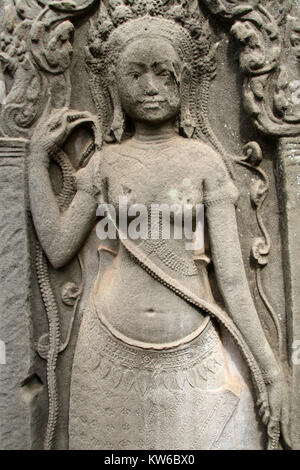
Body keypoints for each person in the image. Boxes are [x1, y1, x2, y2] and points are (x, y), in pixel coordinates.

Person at [29, 12, 285, 450]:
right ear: (113, 86)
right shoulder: (107, 163)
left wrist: (273, 373)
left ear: (183, 83)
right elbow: (57, 247)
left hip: (193, 350)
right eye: (136, 74)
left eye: (163, 74)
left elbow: (233, 282)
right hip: (106, 348)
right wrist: (36, 162)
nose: (150, 87)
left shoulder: (202, 161)